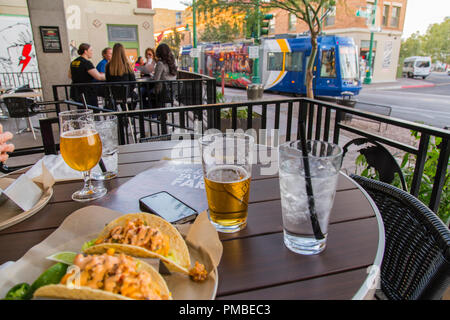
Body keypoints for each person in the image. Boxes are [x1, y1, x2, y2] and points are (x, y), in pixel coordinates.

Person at [69, 43, 105, 107]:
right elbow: (98, 77)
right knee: (94, 110)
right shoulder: (86, 63)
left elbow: (70, 75)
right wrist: (109, 76)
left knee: (82, 110)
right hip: (87, 91)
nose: (92, 52)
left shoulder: (74, 62)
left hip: (76, 91)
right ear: (85, 51)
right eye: (91, 50)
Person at [105, 43, 137, 110]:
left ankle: (122, 117)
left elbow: (107, 81)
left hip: (114, 94)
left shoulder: (108, 66)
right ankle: (129, 116)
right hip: (127, 94)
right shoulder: (127, 65)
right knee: (135, 97)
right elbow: (133, 82)